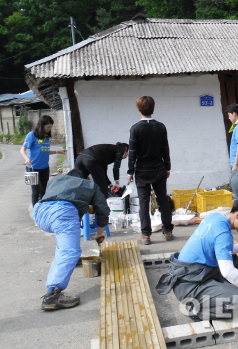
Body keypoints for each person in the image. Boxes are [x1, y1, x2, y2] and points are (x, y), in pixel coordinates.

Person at [156, 196, 238, 320]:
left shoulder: (216, 218)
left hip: (190, 274)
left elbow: (225, 249)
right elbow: (228, 272)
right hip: (189, 285)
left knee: (232, 258)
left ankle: (218, 292)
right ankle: (198, 309)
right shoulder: (223, 233)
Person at [33, 169, 110, 310]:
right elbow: (103, 209)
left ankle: (53, 285)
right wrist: (100, 233)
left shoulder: (55, 180)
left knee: (64, 250)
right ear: (85, 177)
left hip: (40, 212)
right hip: (62, 213)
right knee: (70, 251)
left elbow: (61, 197)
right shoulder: (89, 185)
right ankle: (52, 296)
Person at [127, 96, 173, 244]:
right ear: (153, 108)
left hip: (142, 171)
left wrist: (130, 171)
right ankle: (168, 231)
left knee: (144, 203)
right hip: (159, 169)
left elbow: (132, 152)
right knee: (163, 201)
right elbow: (165, 149)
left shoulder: (135, 128)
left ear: (139, 109)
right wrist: (167, 167)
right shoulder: (161, 127)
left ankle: (146, 235)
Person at [20, 115, 66, 206]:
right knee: (35, 192)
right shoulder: (31, 135)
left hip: (44, 167)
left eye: (50, 128)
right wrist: (27, 159)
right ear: (42, 125)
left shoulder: (46, 137)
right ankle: (36, 213)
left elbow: (44, 151)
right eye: (48, 127)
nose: (49, 129)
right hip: (32, 168)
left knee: (44, 190)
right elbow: (22, 150)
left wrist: (58, 151)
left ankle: (42, 210)